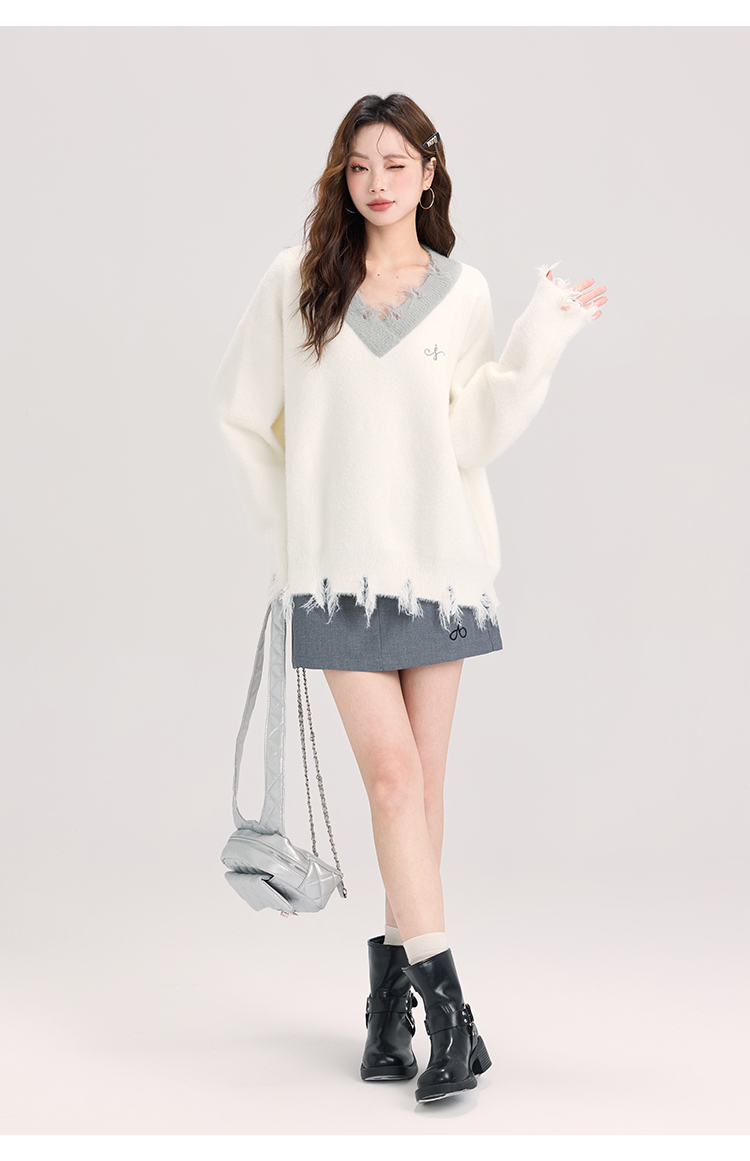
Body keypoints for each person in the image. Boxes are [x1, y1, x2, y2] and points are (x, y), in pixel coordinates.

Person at [211, 92, 607, 1104]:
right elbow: (242, 417)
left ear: (430, 171)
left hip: (441, 572)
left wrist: (542, 338)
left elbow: (469, 434)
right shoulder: (298, 281)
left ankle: (390, 1017)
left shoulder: (463, 293)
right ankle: (455, 1018)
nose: (377, 183)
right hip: (336, 582)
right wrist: (289, 549)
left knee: (419, 796)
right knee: (392, 782)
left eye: (396, 164)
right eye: (359, 165)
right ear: (341, 177)